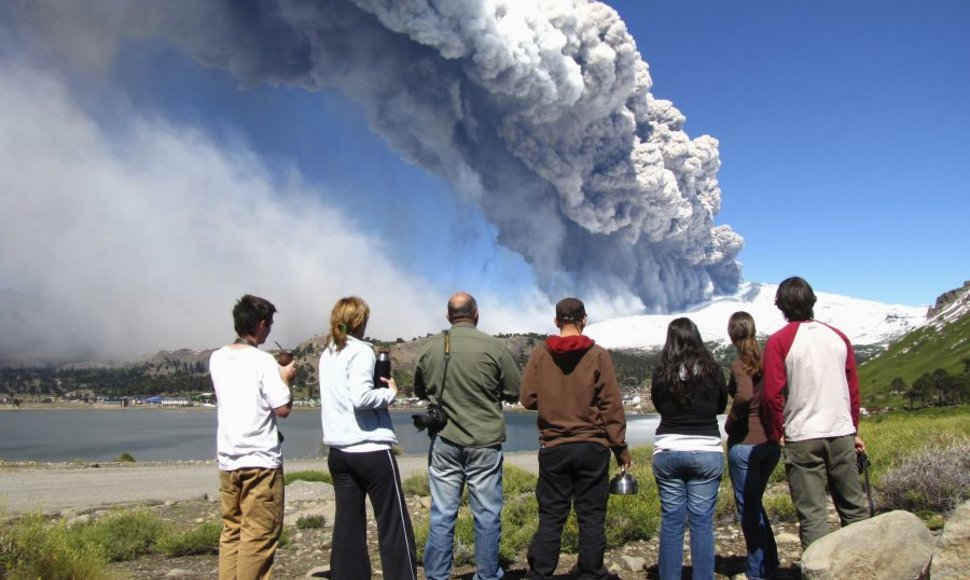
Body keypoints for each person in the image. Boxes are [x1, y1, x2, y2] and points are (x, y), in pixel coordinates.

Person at [519, 297, 631, 580]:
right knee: (591, 516)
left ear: (556, 321)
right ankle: (591, 573)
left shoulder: (540, 355)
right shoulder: (598, 355)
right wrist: (620, 449)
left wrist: (552, 399)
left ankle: (540, 574)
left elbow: (527, 398)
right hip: (592, 447)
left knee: (552, 516)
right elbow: (611, 405)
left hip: (554, 447)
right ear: (584, 319)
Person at [414, 291, 522, 580]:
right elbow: (514, 391)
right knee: (486, 515)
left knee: (442, 514)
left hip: (444, 441)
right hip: (485, 442)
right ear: (476, 314)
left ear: (448, 316)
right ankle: (486, 575)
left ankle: (436, 576)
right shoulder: (495, 348)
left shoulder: (430, 348)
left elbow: (420, 391)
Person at [762, 277, 868, 549]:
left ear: (781, 306)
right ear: (812, 302)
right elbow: (853, 389)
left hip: (802, 437)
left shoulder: (779, 342)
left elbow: (772, 394)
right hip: (841, 432)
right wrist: (852, 429)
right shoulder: (839, 337)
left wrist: (778, 432)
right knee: (854, 509)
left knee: (812, 515)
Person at [318, 296, 417, 580]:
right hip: (370, 449)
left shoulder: (328, 353)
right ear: (361, 322)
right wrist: (391, 393)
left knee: (348, 525)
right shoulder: (361, 351)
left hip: (339, 451)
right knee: (392, 523)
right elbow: (361, 398)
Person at [209, 294, 295, 580]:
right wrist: (284, 378)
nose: (269, 330)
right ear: (260, 325)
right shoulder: (263, 362)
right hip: (260, 462)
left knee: (232, 532)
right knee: (259, 538)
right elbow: (282, 408)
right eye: (269, 325)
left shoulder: (217, 357)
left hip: (228, 460)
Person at [650, 317, 728, 580]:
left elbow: (660, 406)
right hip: (706, 450)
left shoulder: (661, 372)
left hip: (668, 451)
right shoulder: (713, 370)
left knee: (672, 520)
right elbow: (720, 406)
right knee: (701, 520)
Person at [725, 311, 780, 580]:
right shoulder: (770, 361)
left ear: (732, 334)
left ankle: (756, 571)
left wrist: (731, 421)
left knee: (748, 508)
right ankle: (771, 562)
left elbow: (744, 395)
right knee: (755, 503)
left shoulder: (739, 364)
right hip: (770, 443)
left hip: (746, 443)